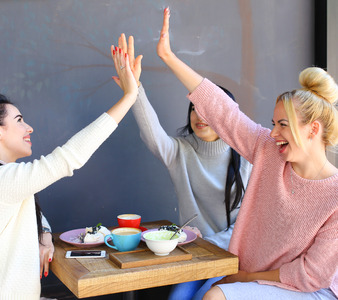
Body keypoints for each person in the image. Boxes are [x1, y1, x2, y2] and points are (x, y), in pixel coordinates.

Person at [138, 7, 337, 300]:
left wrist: (245, 277)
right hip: (255, 277)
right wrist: (168, 57)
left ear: (313, 129)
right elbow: (224, 112)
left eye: (283, 125)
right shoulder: (270, 152)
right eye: (273, 124)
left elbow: (310, 275)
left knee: (216, 296)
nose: (273, 133)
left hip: (311, 290)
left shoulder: (334, 196)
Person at [0, 48, 138, 299]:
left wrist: (44, 236)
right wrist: (129, 96)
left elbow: (34, 214)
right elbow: (68, 158)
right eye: (19, 120)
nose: (29, 128)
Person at [112, 34, 252, 299]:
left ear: (226, 116)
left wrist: (204, 242)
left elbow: (244, 229)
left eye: (208, 110)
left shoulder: (247, 158)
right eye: (194, 109)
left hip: (232, 259)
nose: (200, 116)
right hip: (192, 256)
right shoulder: (180, 151)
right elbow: (152, 133)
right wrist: (135, 89)